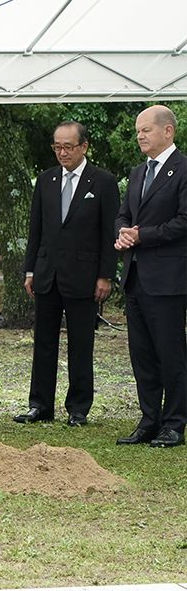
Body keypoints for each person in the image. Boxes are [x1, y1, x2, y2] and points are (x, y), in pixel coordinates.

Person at [16, 121, 119, 427]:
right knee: (44, 342)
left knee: (80, 343)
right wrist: (31, 269)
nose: (62, 152)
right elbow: (36, 229)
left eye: (68, 147)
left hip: (85, 276)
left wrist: (105, 275)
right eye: (57, 146)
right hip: (47, 273)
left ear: (84, 147)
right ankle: (40, 405)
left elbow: (107, 234)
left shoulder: (102, 182)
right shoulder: (46, 180)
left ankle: (78, 407)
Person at [114, 104, 187, 449]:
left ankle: (174, 423)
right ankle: (149, 419)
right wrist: (124, 233)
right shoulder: (138, 172)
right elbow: (124, 214)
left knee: (170, 353)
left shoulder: (183, 169)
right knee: (141, 354)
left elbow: (184, 221)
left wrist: (144, 235)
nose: (140, 135)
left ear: (168, 131)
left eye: (146, 129)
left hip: (169, 278)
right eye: (138, 130)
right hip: (136, 276)